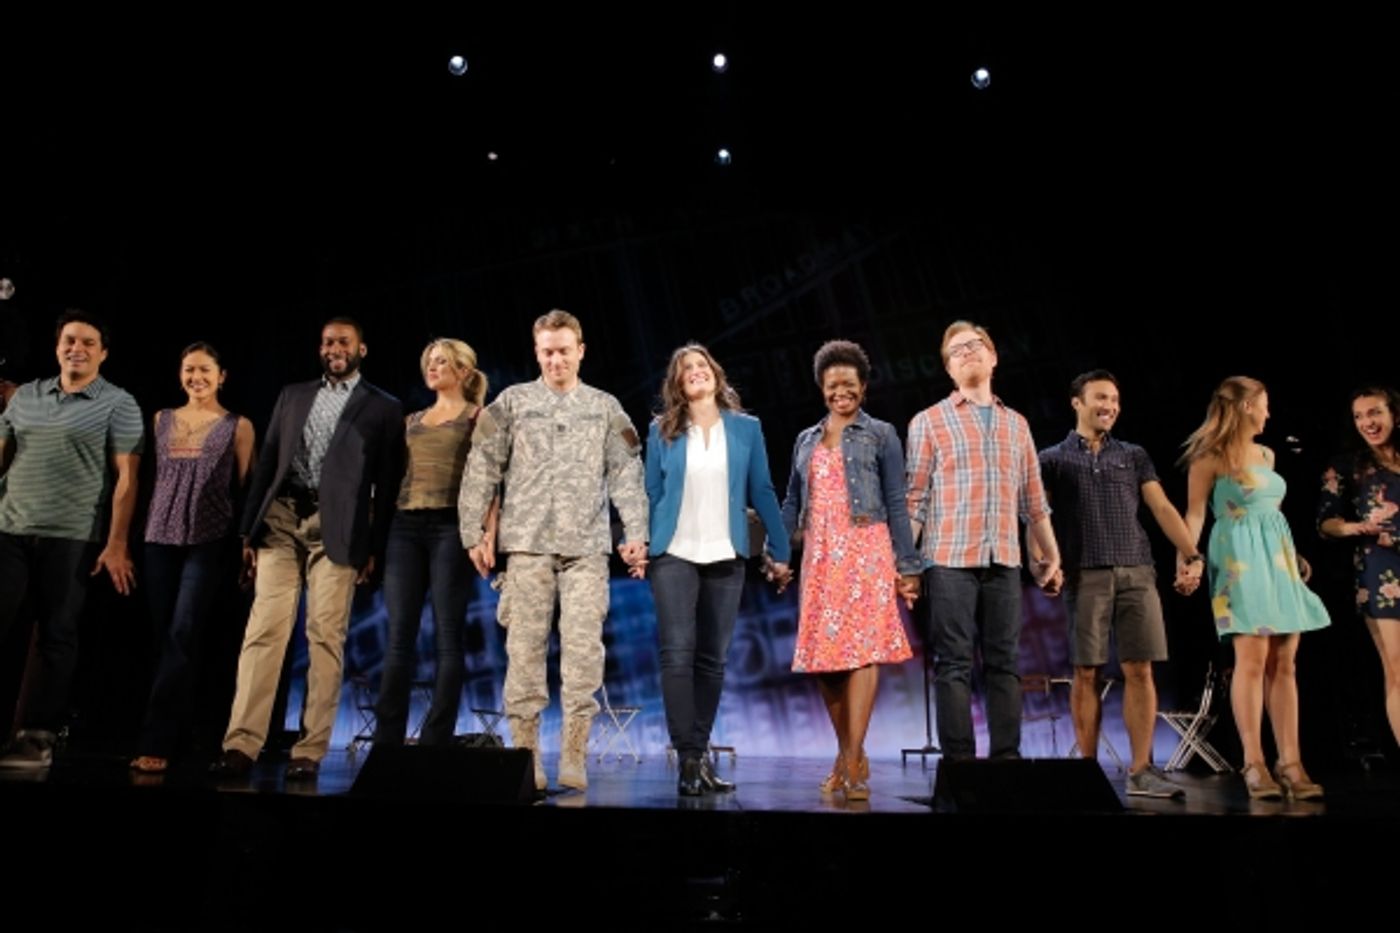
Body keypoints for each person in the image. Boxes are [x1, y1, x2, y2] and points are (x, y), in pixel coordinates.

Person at [458, 310, 647, 791]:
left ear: (580, 350)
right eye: (547, 351)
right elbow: (482, 466)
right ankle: (526, 760)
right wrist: (473, 531)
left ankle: (574, 756)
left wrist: (635, 532)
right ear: (536, 352)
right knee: (524, 654)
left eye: (564, 349)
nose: (556, 359)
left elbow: (626, 474)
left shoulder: (605, 407)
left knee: (583, 654)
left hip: (585, 548)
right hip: (527, 546)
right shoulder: (513, 403)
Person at [210, 318, 403, 781]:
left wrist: (375, 548)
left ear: (361, 349)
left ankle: (310, 749)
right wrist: (247, 532)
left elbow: (388, 482)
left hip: (338, 530)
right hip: (279, 520)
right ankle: (241, 744)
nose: (334, 348)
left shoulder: (383, 407)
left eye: (343, 342)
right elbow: (269, 462)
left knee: (324, 637)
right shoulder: (293, 394)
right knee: (263, 633)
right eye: (327, 342)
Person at [1035, 370, 1203, 798]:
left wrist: (1191, 553)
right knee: (1086, 671)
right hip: (1085, 572)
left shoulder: (1133, 454)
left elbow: (1161, 507)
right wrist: (1042, 563)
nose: (1109, 406)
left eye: (1114, 399)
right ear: (1077, 402)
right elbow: (1036, 517)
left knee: (1140, 670)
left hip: (1137, 571)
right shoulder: (1053, 458)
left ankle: (1142, 769)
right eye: (1100, 398)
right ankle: (1086, 772)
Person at [905, 321, 1061, 762]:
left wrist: (1050, 555)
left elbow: (1033, 500)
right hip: (949, 556)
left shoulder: (1017, 424)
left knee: (1004, 663)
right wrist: (906, 563)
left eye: (975, 346)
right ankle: (960, 766)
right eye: (957, 351)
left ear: (993, 357)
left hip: (1005, 558)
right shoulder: (929, 422)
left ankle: (1006, 762)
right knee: (953, 663)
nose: (968, 353)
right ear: (949, 370)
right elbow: (914, 499)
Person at [641, 343, 789, 796]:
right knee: (677, 653)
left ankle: (699, 754)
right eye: (686, 369)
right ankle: (687, 758)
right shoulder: (661, 430)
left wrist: (780, 547)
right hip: (674, 553)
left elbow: (762, 487)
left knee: (714, 660)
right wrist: (643, 544)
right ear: (678, 383)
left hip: (726, 553)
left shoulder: (746, 428)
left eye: (702, 365)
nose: (695, 372)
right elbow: (650, 492)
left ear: (715, 374)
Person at [0, 310, 144, 769]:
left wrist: (117, 542)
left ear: (103, 352)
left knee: (57, 634)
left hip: (73, 535)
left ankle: (36, 736)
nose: (76, 348)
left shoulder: (119, 403)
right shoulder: (25, 398)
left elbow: (127, 479)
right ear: (57, 345)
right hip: (10, 528)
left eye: (87, 342)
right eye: (69, 340)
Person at [777, 340, 920, 800]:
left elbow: (898, 503)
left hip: (865, 548)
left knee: (862, 653)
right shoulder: (805, 439)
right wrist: (779, 554)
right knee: (824, 662)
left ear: (863, 386)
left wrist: (907, 565)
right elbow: (792, 502)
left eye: (850, 383)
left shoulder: (881, 434)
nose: (842, 390)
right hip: (820, 556)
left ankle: (854, 761)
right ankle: (846, 755)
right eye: (833, 383)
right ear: (822, 388)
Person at [1181, 375, 1329, 800]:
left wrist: (1292, 553)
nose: (1269, 412)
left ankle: (1292, 763)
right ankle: (1254, 762)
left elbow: (1271, 511)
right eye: (1264, 404)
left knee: (1285, 660)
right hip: (1236, 560)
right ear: (1247, 406)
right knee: (1251, 657)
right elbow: (1194, 516)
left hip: (1276, 558)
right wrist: (1188, 559)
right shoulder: (1210, 456)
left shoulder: (1267, 453)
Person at [129, 343, 255, 774]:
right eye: (188, 369)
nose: (195, 377)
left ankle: (157, 739)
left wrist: (245, 545)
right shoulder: (161, 419)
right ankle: (181, 731)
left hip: (208, 539)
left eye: (204, 370)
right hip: (158, 537)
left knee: (184, 632)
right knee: (165, 635)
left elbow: (245, 490)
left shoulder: (238, 426)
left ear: (222, 376)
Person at [374, 338, 495, 747]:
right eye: (429, 361)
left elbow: (491, 481)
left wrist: (485, 534)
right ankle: (387, 739)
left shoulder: (479, 417)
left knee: (448, 635)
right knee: (399, 636)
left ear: (462, 371)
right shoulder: (410, 421)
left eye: (442, 361)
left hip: (451, 528)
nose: (433, 367)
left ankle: (435, 737)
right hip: (404, 528)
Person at [1318, 385, 1400, 750]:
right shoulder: (1347, 465)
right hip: (1382, 571)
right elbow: (1325, 521)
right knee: (1397, 668)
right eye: (1359, 416)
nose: (1368, 422)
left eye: (1375, 413)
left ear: (1394, 414)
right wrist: (1352, 527)